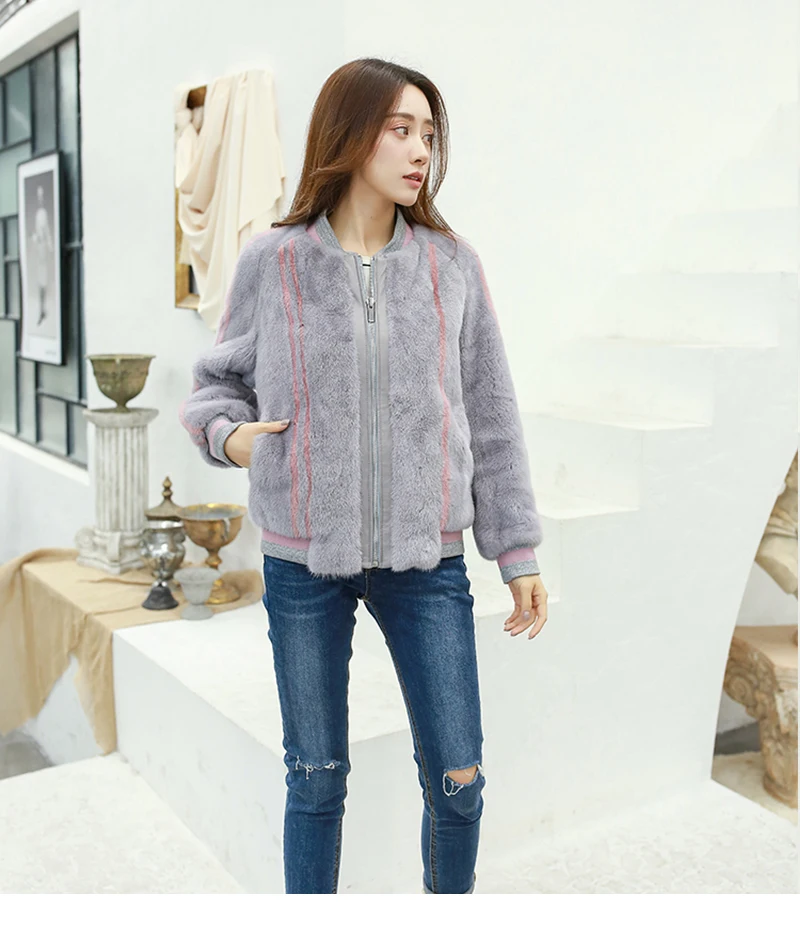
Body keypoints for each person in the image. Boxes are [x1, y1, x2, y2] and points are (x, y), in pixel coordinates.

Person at [179, 57, 549, 895]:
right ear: (348, 135)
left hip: (428, 558)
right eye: (400, 130)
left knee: (459, 781)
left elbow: (491, 412)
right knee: (315, 780)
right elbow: (214, 387)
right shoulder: (273, 262)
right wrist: (232, 441)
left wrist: (516, 551)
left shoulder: (451, 265)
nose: (420, 152)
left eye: (429, 135)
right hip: (303, 561)